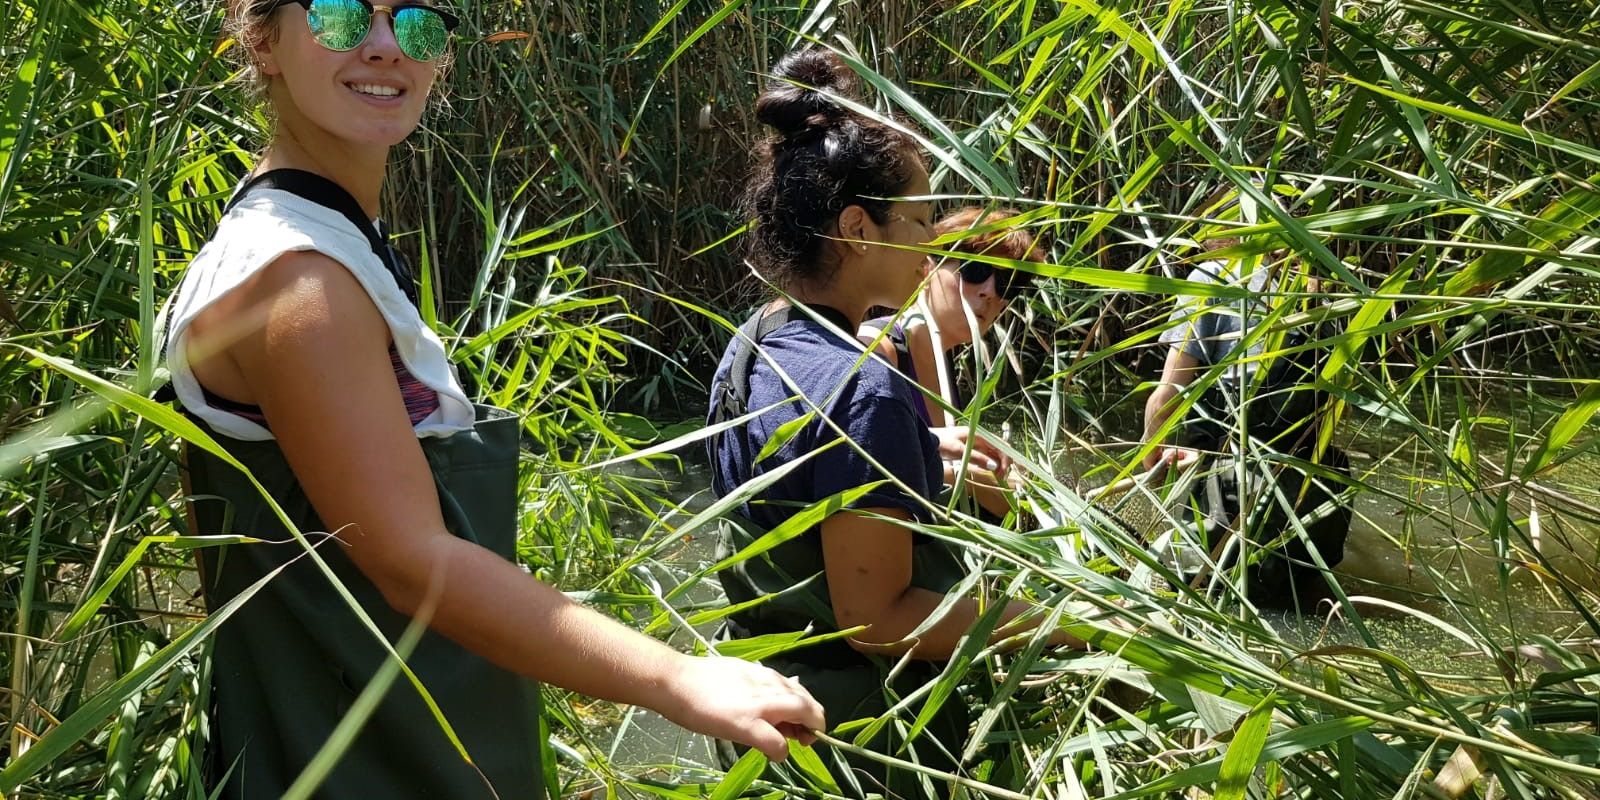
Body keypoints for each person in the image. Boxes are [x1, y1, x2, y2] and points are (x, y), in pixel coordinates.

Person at [163, 2, 822, 797]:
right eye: (339, 15)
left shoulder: (313, 236)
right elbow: (411, 561)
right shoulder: (299, 279)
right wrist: (675, 678)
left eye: (416, 24)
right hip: (370, 761)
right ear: (262, 41)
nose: (382, 47)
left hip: (399, 737)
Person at [706, 48, 1082, 797]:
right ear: (857, 228)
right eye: (917, 221)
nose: (928, 244)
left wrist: (922, 450)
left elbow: (801, 497)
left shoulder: (758, 337)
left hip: (754, 711)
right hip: (856, 743)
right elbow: (874, 620)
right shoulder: (866, 386)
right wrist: (1060, 620)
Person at [1141, 219, 1352, 609]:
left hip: (1235, 488)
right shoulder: (1324, 288)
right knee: (1300, 606)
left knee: (1197, 600)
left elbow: (1167, 392)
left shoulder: (1215, 277)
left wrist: (1151, 458)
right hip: (1319, 494)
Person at [858, 207, 1043, 518]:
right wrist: (961, 469)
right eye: (975, 270)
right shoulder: (877, 349)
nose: (989, 293)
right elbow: (855, 460)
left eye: (1006, 284)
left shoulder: (943, 362)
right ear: (927, 266)